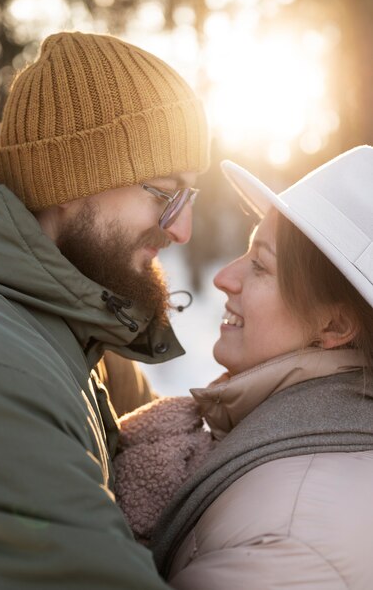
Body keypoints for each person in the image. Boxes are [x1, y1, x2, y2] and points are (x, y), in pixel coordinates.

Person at [0, 31, 209, 589]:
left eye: (189, 198)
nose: (182, 228)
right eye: (164, 192)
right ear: (67, 180)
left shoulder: (73, 328)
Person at [113, 145, 373, 589]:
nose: (224, 277)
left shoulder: (291, 541)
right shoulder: (284, 434)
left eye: (260, 265)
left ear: (334, 325)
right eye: (244, 252)